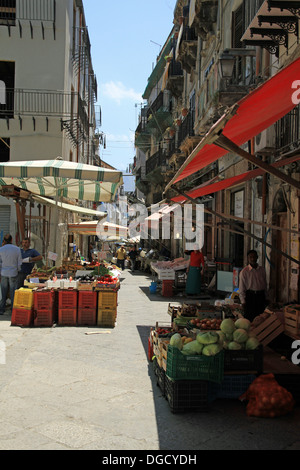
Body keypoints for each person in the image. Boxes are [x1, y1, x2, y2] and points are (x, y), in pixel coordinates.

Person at [239, 249, 268, 322]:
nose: (252, 259)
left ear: (257, 257)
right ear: (248, 258)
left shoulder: (262, 270)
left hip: (261, 296)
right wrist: (243, 302)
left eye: (254, 257)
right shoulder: (244, 272)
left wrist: (266, 297)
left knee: (261, 318)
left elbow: (264, 284)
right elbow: (242, 288)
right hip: (250, 297)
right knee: (250, 318)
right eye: (250, 257)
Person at [0, 234, 23, 315]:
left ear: (4, 240)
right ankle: (13, 310)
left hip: (3, 273)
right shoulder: (17, 249)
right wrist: (18, 270)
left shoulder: (1, 249)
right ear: (11, 240)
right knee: (13, 292)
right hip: (13, 273)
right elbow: (19, 262)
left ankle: (2, 309)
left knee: (4, 292)